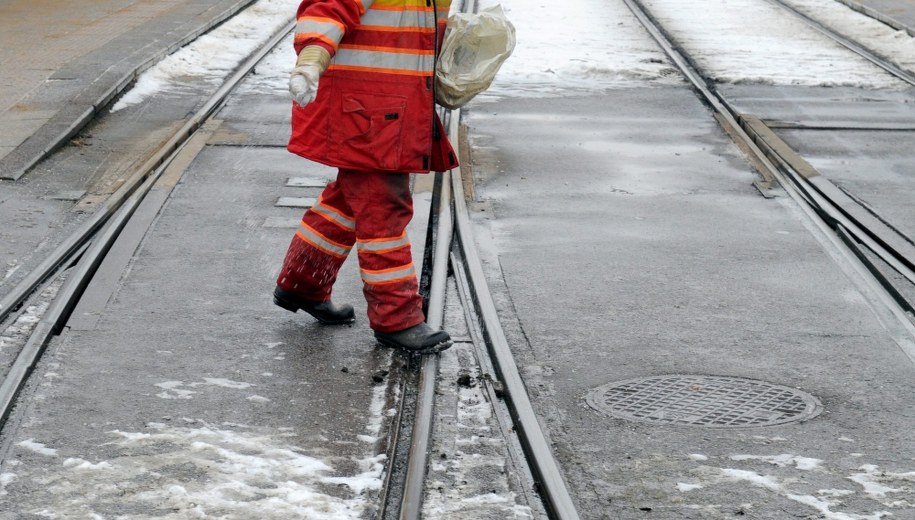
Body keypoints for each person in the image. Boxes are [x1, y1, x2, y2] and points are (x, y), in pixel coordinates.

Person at [273, 0, 457, 355]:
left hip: (389, 103)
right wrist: (312, 57)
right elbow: (327, 7)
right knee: (383, 206)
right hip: (364, 107)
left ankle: (304, 282)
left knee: (349, 200)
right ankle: (396, 319)